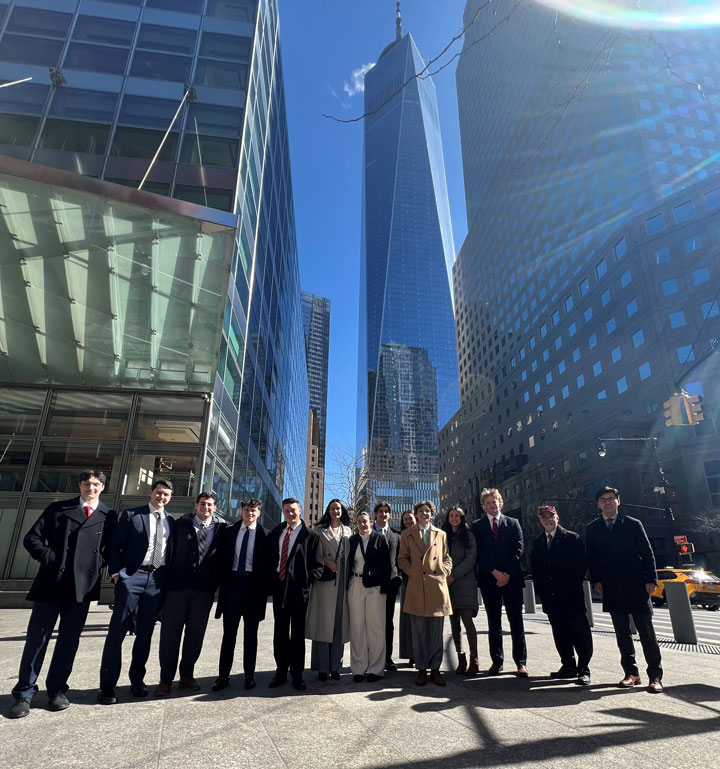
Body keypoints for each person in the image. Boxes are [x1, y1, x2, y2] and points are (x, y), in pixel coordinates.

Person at [8, 471, 116, 718]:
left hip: (82, 587)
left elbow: (110, 548)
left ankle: (57, 690)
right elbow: (31, 538)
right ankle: (24, 692)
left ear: (102, 487)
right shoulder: (58, 508)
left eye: (96, 485)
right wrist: (49, 558)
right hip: (51, 583)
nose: (91, 488)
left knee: (69, 642)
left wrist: (109, 566)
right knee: (37, 639)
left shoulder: (108, 515)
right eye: (87, 484)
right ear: (80, 485)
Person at [98, 478, 175, 704]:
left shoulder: (171, 521)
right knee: (117, 632)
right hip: (132, 576)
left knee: (145, 634)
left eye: (166, 495)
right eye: (158, 493)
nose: (161, 497)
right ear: (151, 493)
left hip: (156, 580)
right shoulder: (133, 515)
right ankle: (107, 686)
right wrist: (115, 573)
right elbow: (114, 546)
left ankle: (137, 682)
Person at [586, 486, 663, 693]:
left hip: (636, 584)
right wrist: (596, 580)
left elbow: (647, 553)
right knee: (622, 634)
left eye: (611, 498)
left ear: (618, 501)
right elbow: (592, 558)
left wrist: (651, 579)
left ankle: (655, 676)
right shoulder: (593, 528)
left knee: (647, 633)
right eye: (603, 500)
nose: (607, 502)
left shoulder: (632, 524)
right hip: (611, 586)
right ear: (598, 504)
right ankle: (631, 673)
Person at [154, 491, 226, 696]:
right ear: (196, 505)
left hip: (203, 591)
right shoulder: (180, 525)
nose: (206, 508)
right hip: (177, 589)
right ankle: (165, 679)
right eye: (202, 504)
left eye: (210, 505)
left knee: (195, 635)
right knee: (170, 634)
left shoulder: (222, 529)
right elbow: (167, 553)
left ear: (215, 507)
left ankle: (187, 675)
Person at [213, 497, 272, 691]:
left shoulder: (266, 535)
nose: (250, 513)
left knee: (251, 635)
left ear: (259, 513)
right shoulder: (229, 532)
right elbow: (220, 558)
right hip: (232, 588)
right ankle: (223, 676)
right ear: (241, 512)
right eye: (247, 510)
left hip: (253, 590)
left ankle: (249, 675)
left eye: (254, 510)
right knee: (228, 634)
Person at [530, 505, 593, 685]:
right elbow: (536, 570)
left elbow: (581, 566)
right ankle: (568, 666)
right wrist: (542, 594)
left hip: (571, 595)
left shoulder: (572, 538)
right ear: (540, 521)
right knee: (560, 633)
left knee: (580, 633)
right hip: (551, 598)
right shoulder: (538, 542)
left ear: (557, 517)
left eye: (551, 517)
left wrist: (570, 585)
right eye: (544, 518)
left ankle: (583, 669)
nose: (548, 520)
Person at [471, 488, 528, 677]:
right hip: (489, 580)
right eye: (487, 502)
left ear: (500, 502)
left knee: (516, 622)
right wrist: (495, 572)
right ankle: (497, 661)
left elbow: (518, 550)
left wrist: (506, 575)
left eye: (494, 502)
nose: (491, 505)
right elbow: (478, 554)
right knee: (493, 622)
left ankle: (521, 662)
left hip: (511, 580)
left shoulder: (513, 523)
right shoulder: (477, 526)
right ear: (483, 506)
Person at [398, 500, 452, 686]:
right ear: (416, 514)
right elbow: (402, 559)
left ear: (432, 514)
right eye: (421, 511)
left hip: (437, 587)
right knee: (418, 632)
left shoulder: (441, 534)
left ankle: (435, 669)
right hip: (416, 586)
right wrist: (413, 572)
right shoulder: (407, 534)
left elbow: (446, 557)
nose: (425, 514)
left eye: (428, 511)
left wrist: (444, 570)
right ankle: (421, 669)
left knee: (436, 633)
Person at [267, 497, 314, 691]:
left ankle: (297, 674)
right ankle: (280, 671)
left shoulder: (310, 535)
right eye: (287, 510)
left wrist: (306, 583)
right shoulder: (277, 532)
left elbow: (315, 564)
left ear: (300, 510)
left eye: (293, 510)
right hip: (279, 587)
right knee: (280, 632)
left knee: (297, 635)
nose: (290, 513)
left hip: (299, 590)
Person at [306, 499, 352, 681]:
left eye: (338, 508)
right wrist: (327, 562)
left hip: (341, 582)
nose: (335, 511)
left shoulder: (348, 531)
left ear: (342, 511)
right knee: (322, 624)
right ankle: (322, 667)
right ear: (328, 510)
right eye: (332, 508)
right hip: (324, 583)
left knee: (338, 625)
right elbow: (313, 554)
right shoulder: (318, 531)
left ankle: (335, 666)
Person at [346, 511, 392, 682]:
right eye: (359, 522)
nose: (362, 525)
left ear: (371, 522)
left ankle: (376, 669)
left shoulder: (380, 539)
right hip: (355, 584)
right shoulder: (352, 540)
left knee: (376, 628)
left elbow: (388, 565)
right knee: (357, 628)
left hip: (375, 587)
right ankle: (358, 669)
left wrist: (385, 588)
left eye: (365, 521)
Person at [441, 506, 479, 676]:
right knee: (454, 624)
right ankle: (461, 658)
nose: (454, 518)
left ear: (462, 518)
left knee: (468, 622)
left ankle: (474, 659)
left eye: (458, 516)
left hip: (465, 583)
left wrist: (453, 574)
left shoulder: (468, 535)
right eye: (452, 516)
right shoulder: (443, 536)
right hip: (447, 585)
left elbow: (471, 559)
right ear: (448, 518)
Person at [373, 501, 402, 671]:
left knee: (388, 622)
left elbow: (399, 560)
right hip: (372, 585)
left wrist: (396, 579)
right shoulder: (368, 533)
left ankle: (387, 658)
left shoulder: (396, 536)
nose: (384, 514)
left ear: (390, 515)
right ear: (375, 514)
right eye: (380, 511)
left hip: (390, 586)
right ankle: (373, 656)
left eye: (386, 512)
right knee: (373, 622)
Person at [398, 510, 416, 664]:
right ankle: (410, 653)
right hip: (407, 580)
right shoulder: (401, 536)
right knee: (407, 619)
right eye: (405, 520)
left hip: (424, 581)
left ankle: (422, 652)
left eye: (410, 519)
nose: (408, 522)